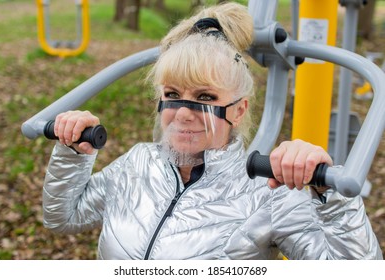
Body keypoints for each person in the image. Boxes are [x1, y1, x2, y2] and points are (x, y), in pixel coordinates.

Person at [42, 2, 382, 260]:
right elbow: (62, 218)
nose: (183, 114)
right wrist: (73, 154)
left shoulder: (269, 194)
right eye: (173, 95)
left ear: (238, 110)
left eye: (205, 97)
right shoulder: (137, 164)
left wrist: (331, 200)